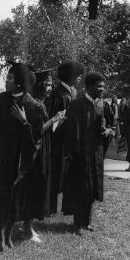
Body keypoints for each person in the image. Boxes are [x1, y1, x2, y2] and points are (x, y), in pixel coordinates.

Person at [0, 62, 44, 252]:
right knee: (0, 198)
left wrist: (24, 122)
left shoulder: (33, 106)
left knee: (15, 199)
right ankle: (0, 238)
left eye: (9, 78)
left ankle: (9, 236)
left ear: (20, 82)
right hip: (0, 159)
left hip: (20, 163)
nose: (5, 81)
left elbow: (37, 139)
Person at [14, 69, 65, 242]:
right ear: (39, 85)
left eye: (51, 84)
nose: (50, 88)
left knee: (36, 189)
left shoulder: (38, 103)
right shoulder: (34, 105)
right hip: (36, 152)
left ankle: (28, 227)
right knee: (33, 189)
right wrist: (54, 119)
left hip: (42, 149)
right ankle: (27, 229)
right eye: (48, 84)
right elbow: (36, 132)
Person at [62, 73, 114, 235]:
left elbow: (111, 126)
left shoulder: (103, 105)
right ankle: (78, 223)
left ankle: (88, 221)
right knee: (81, 188)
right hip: (81, 154)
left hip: (96, 153)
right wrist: (73, 152)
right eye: (99, 86)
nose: (102, 89)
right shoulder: (77, 104)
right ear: (89, 86)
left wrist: (108, 131)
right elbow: (71, 131)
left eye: (103, 86)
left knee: (92, 188)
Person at [45, 60, 85, 215]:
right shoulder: (57, 94)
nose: (80, 78)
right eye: (78, 75)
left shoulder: (72, 92)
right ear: (70, 75)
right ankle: (50, 208)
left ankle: (62, 208)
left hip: (69, 139)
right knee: (55, 173)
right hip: (57, 140)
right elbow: (49, 117)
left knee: (65, 175)